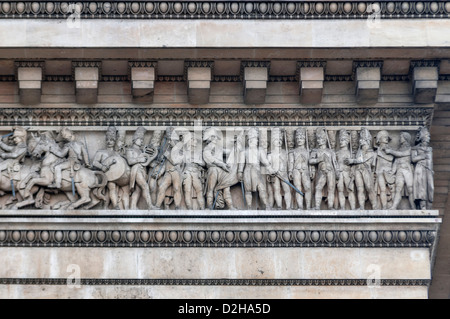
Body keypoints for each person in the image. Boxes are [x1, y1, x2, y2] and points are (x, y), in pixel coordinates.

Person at [238, 127, 274, 210]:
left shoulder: (260, 150)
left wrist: (270, 168)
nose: (256, 141)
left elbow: (265, 161)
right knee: (248, 189)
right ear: (249, 140)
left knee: (261, 188)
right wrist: (239, 172)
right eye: (254, 139)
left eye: (256, 139)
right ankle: (249, 207)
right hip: (247, 171)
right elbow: (241, 163)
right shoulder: (244, 151)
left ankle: (266, 205)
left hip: (256, 171)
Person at [344, 128, 378, 210]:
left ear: (367, 141)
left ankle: (375, 207)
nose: (361, 141)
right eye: (361, 140)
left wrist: (352, 161)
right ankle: (361, 207)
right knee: (360, 188)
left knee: (369, 188)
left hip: (366, 170)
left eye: (363, 140)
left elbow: (362, 160)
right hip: (358, 170)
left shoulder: (371, 152)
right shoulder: (358, 152)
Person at [125, 126, 157, 209]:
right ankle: (150, 206)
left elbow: (145, 162)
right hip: (136, 170)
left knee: (138, 190)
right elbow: (130, 161)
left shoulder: (141, 151)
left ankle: (132, 207)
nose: (142, 142)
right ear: (135, 139)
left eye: (143, 140)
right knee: (145, 186)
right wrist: (140, 159)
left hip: (142, 171)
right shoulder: (130, 150)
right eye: (140, 139)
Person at [309, 127, 339, 210]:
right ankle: (317, 206)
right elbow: (310, 161)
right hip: (321, 171)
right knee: (318, 188)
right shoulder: (315, 151)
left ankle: (330, 206)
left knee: (331, 188)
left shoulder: (331, 151)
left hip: (330, 171)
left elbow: (335, 163)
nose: (319, 140)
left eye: (321, 138)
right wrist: (318, 160)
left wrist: (337, 172)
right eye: (318, 139)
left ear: (325, 139)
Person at [154, 127, 184, 210]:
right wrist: (159, 173)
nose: (170, 137)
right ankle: (157, 206)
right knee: (161, 187)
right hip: (168, 172)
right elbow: (163, 163)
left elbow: (177, 161)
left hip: (176, 171)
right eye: (168, 135)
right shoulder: (167, 149)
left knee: (176, 188)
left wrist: (172, 149)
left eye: (171, 134)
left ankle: (177, 207)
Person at [385, 132, 415, 210]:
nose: (400, 139)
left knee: (410, 189)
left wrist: (391, 151)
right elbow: (396, 161)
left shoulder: (409, 148)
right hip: (399, 170)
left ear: (405, 138)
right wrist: (392, 171)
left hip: (407, 170)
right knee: (398, 189)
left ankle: (413, 207)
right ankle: (394, 206)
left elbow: (401, 154)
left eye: (401, 137)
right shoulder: (399, 149)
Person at [288, 128, 313, 210]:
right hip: (296, 170)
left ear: (305, 139)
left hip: (305, 170)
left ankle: (308, 206)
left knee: (307, 187)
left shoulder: (308, 151)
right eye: (298, 138)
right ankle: (300, 206)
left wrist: (312, 170)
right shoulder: (293, 151)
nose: (299, 140)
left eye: (301, 138)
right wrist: (290, 171)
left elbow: (311, 162)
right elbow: (291, 162)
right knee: (298, 187)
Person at [411, 127, 434, 209]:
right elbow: (413, 159)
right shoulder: (415, 148)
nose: (429, 138)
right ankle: (422, 206)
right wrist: (422, 156)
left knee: (431, 187)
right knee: (421, 188)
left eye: (429, 136)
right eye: (427, 136)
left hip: (429, 170)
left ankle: (429, 205)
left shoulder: (429, 149)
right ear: (422, 137)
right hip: (420, 169)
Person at [335, 129, 356, 210]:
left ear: (347, 141)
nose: (341, 142)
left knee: (350, 190)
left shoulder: (351, 153)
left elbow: (355, 165)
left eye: (343, 140)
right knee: (340, 190)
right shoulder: (336, 153)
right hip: (339, 173)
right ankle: (342, 207)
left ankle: (353, 208)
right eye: (340, 140)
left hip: (347, 173)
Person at [374, 130, 394, 209]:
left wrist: (380, 155)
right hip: (380, 171)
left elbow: (391, 158)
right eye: (384, 137)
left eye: (387, 138)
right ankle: (384, 207)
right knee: (382, 189)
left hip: (388, 171)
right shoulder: (377, 150)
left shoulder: (388, 148)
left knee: (391, 189)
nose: (386, 139)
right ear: (379, 139)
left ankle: (392, 206)